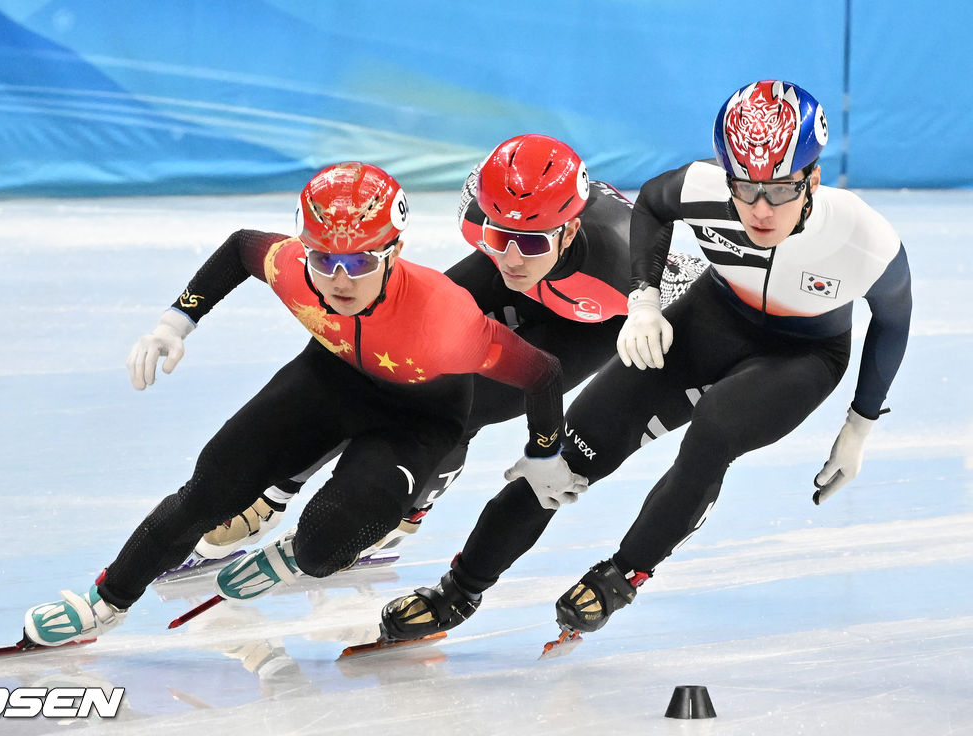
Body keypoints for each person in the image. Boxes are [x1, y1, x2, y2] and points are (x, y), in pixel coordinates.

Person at [379, 80, 912, 641]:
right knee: (567, 455)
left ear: (813, 178)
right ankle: (459, 590)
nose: (759, 209)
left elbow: (894, 320)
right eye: (744, 187)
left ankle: (624, 572)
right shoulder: (701, 187)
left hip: (801, 354)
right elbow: (653, 207)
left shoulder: (862, 236)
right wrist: (645, 300)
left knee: (716, 430)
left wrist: (859, 427)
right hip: (711, 319)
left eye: (779, 190)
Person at [21, 162, 585, 647]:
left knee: (324, 546)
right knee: (207, 492)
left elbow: (542, 370)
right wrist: (177, 321)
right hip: (329, 381)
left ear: (394, 252)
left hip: (418, 419)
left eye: (361, 262)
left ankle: (299, 553)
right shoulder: (293, 268)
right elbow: (242, 245)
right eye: (324, 259)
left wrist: (542, 451)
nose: (339, 279)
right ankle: (107, 600)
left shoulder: (447, 318)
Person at [193, 134, 705, 562]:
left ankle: (407, 509)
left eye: (528, 239)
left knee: (462, 402)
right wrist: (514, 245)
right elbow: (504, 247)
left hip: (587, 323)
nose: (509, 252)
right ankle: (275, 490)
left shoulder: (634, 266)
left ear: (569, 230)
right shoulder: (483, 217)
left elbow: (710, 311)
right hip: (523, 278)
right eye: (497, 231)